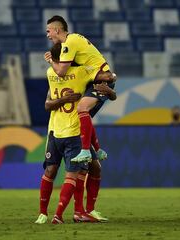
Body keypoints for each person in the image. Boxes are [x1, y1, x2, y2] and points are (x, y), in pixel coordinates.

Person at [35, 43, 115, 224]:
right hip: (73, 130)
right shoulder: (82, 73)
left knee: (52, 170)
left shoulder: (51, 73)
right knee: (79, 171)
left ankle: (45, 213)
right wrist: (111, 79)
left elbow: (47, 105)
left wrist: (51, 64)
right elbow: (107, 77)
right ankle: (71, 213)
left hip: (54, 130)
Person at [45, 15, 116, 163]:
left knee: (82, 108)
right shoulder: (73, 39)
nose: (48, 35)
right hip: (97, 79)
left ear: (57, 30)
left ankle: (85, 151)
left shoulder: (69, 43)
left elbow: (61, 71)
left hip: (100, 81)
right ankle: (97, 149)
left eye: (49, 31)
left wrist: (51, 60)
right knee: (84, 115)